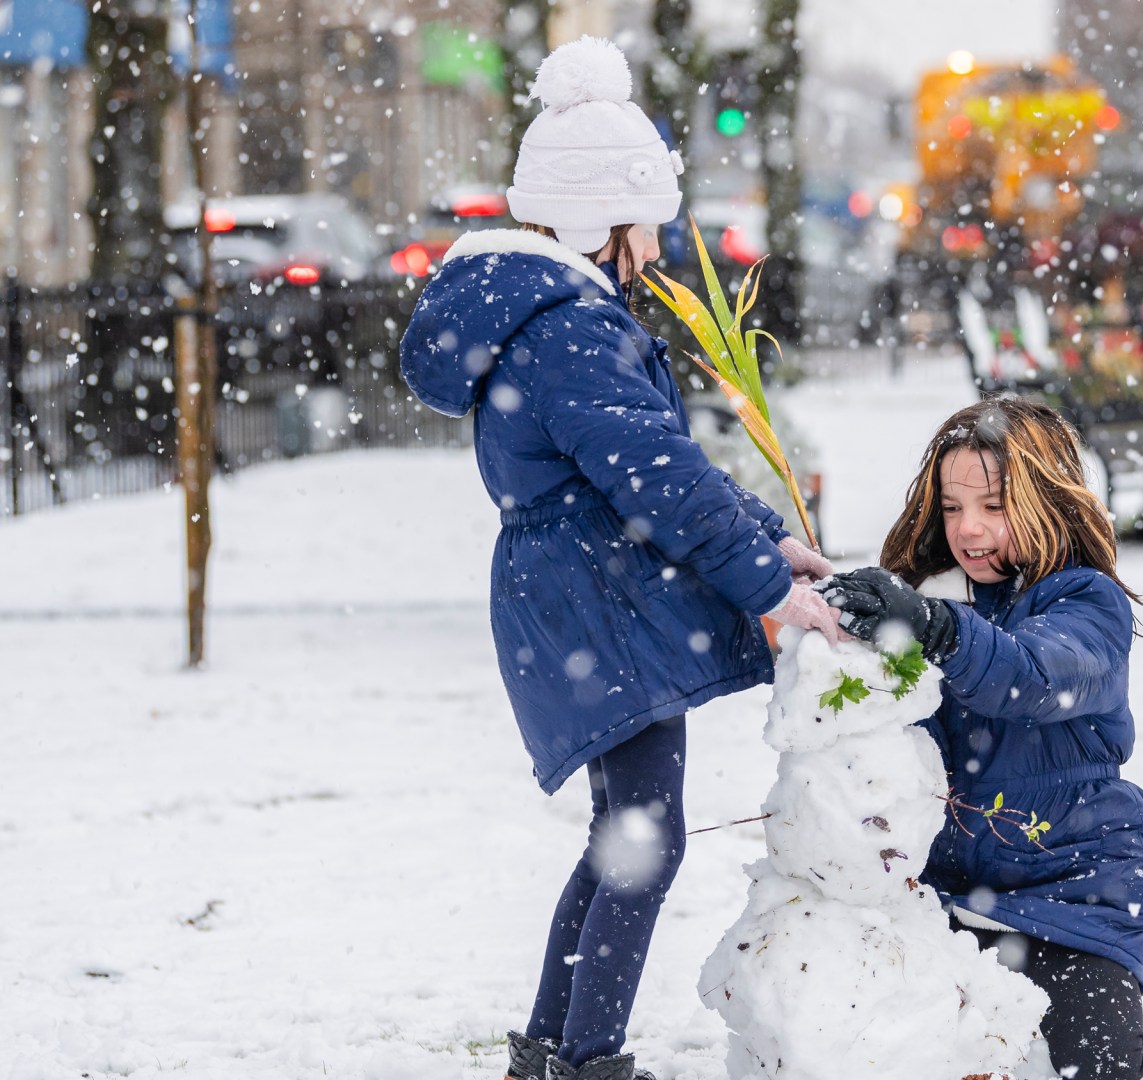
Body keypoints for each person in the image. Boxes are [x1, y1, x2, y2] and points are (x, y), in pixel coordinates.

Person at [398, 37, 842, 1080]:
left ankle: (557, 1053)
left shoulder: (560, 317)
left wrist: (764, 531)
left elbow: (665, 456)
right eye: (646, 224)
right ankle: (581, 1057)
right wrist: (769, 589)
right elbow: (660, 482)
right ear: (601, 219)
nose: (656, 249)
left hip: (585, 591)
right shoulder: (569, 331)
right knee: (642, 837)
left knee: (630, 833)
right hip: (592, 597)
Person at [819, 398, 1143, 1080]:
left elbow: (1030, 675)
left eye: (994, 505)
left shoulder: (1087, 603)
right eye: (951, 507)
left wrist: (939, 628)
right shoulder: (925, 599)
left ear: (1048, 501)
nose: (968, 528)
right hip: (941, 901)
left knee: (1098, 1061)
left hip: (1072, 903)